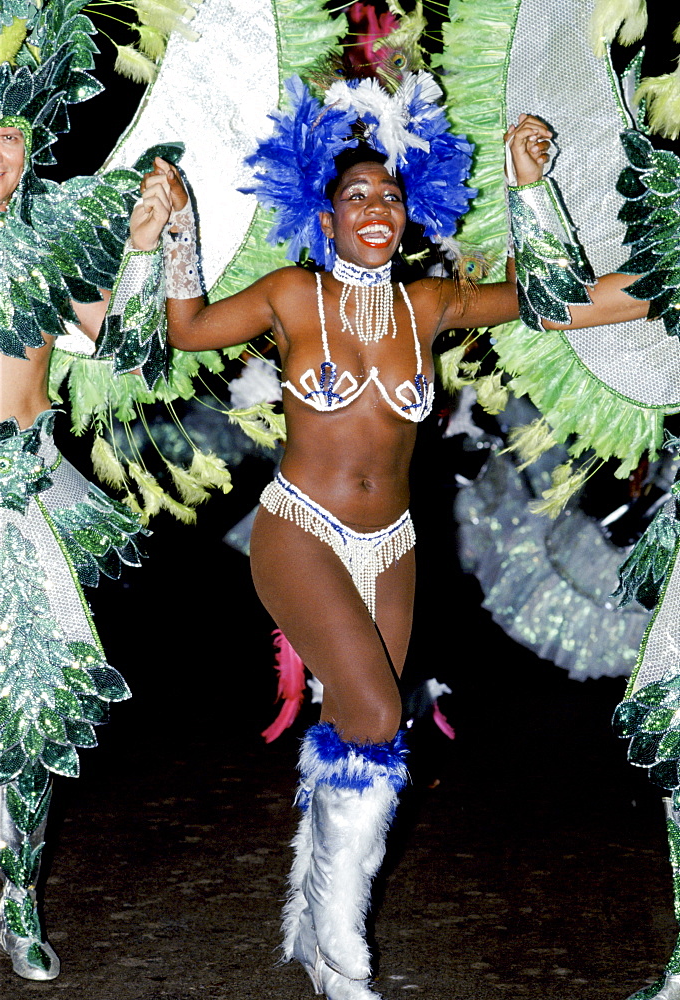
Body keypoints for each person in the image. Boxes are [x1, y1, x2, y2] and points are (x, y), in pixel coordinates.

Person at [133, 66, 562, 998]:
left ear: (408, 217)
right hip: (302, 529)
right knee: (373, 710)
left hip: (394, 544)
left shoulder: (428, 304)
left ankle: (325, 942)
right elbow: (192, 329)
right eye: (356, 195)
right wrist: (179, 228)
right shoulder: (292, 294)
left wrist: (528, 181)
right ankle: (341, 947)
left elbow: (539, 296)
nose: (376, 208)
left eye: (391, 195)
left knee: (361, 734)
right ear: (325, 217)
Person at [0, 37, 175, 990]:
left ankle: (18, 901)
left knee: (27, 716)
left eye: (15, 143)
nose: (2, 161)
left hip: (18, 505)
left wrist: (143, 249)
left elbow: (133, 352)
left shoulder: (52, 247)